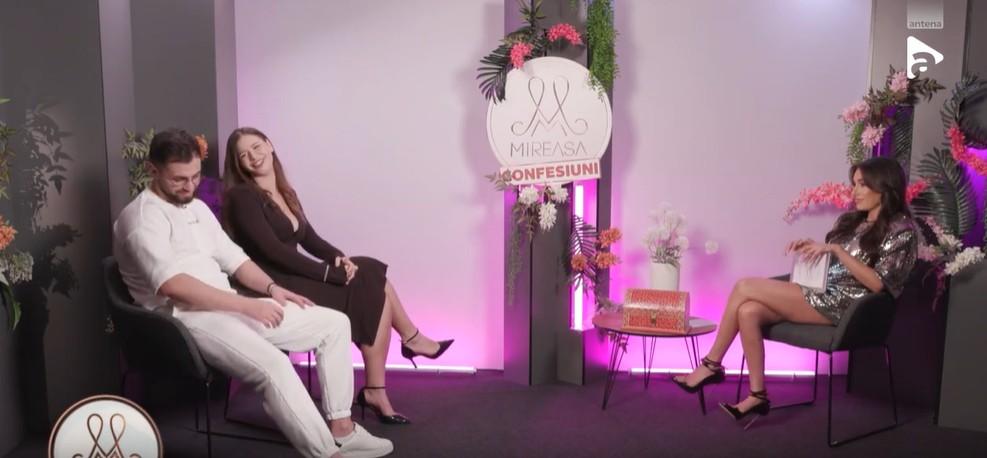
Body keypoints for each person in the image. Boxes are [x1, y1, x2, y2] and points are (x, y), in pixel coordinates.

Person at [113, 128, 393, 458]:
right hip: (182, 321)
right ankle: (326, 454)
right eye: (179, 180)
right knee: (274, 365)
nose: (189, 186)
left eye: (195, 176)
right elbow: (173, 286)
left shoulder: (196, 208)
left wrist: (272, 289)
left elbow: (235, 259)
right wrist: (246, 306)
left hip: (227, 305)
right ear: (152, 170)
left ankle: (342, 430)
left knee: (334, 325)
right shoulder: (141, 218)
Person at [221, 127, 453, 425]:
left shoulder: (285, 191)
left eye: (256, 146)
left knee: (368, 275)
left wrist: (338, 258)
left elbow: (310, 239)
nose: (253, 156)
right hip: (274, 284)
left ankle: (386, 376)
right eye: (244, 155)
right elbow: (274, 252)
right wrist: (329, 274)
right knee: (372, 283)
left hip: (295, 275)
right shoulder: (242, 196)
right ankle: (399, 357)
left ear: (269, 145)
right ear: (239, 164)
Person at [671, 156, 918, 424]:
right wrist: (811, 248)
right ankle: (757, 395)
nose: (854, 191)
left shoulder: (901, 230)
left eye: (862, 185)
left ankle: (711, 365)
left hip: (849, 306)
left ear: (883, 187)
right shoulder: (852, 221)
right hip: (823, 291)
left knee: (744, 286)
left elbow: (879, 283)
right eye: (854, 184)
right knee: (748, 311)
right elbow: (834, 264)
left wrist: (836, 250)